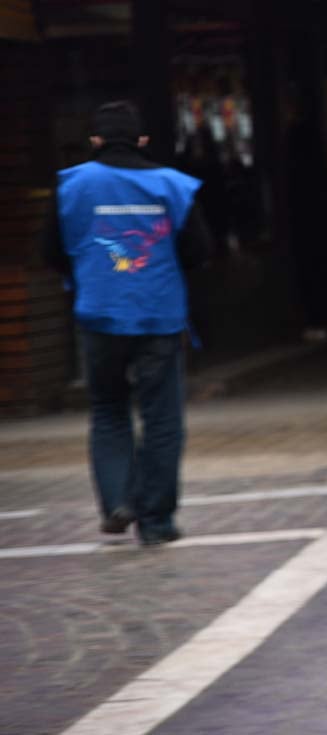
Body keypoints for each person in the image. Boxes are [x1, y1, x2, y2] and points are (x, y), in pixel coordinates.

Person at [40, 100, 212, 546]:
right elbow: (199, 250)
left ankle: (118, 501)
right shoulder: (173, 186)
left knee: (108, 410)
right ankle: (156, 521)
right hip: (158, 316)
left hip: (98, 315)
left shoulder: (71, 185)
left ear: (94, 141)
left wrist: (85, 274)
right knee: (162, 419)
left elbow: (50, 252)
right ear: (142, 140)